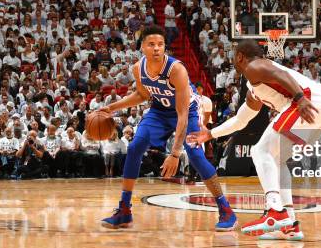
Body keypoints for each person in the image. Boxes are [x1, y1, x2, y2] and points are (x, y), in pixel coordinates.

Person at [188, 40, 321, 240]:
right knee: (277, 159)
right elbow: (241, 120)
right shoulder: (255, 87)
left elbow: (282, 75)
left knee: (260, 151)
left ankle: (275, 210)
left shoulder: (254, 66)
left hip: (309, 103)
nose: (233, 59)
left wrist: (299, 98)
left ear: (240, 56)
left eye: (234, 56)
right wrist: (210, 133)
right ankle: (290, 224)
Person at [100, 25, 237, 231]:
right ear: (142, 48)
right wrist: (112, 107)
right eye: (151, 44)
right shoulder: (138, 68)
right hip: (159, 109)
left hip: (187, 111)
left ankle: (226, 210)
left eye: (160, 44)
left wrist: (174, 153)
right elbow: (143, 95)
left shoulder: (176, 69)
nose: (156, 48)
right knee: (136, 146)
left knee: (195, 155)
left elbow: (182, 114)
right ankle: (124, 210)